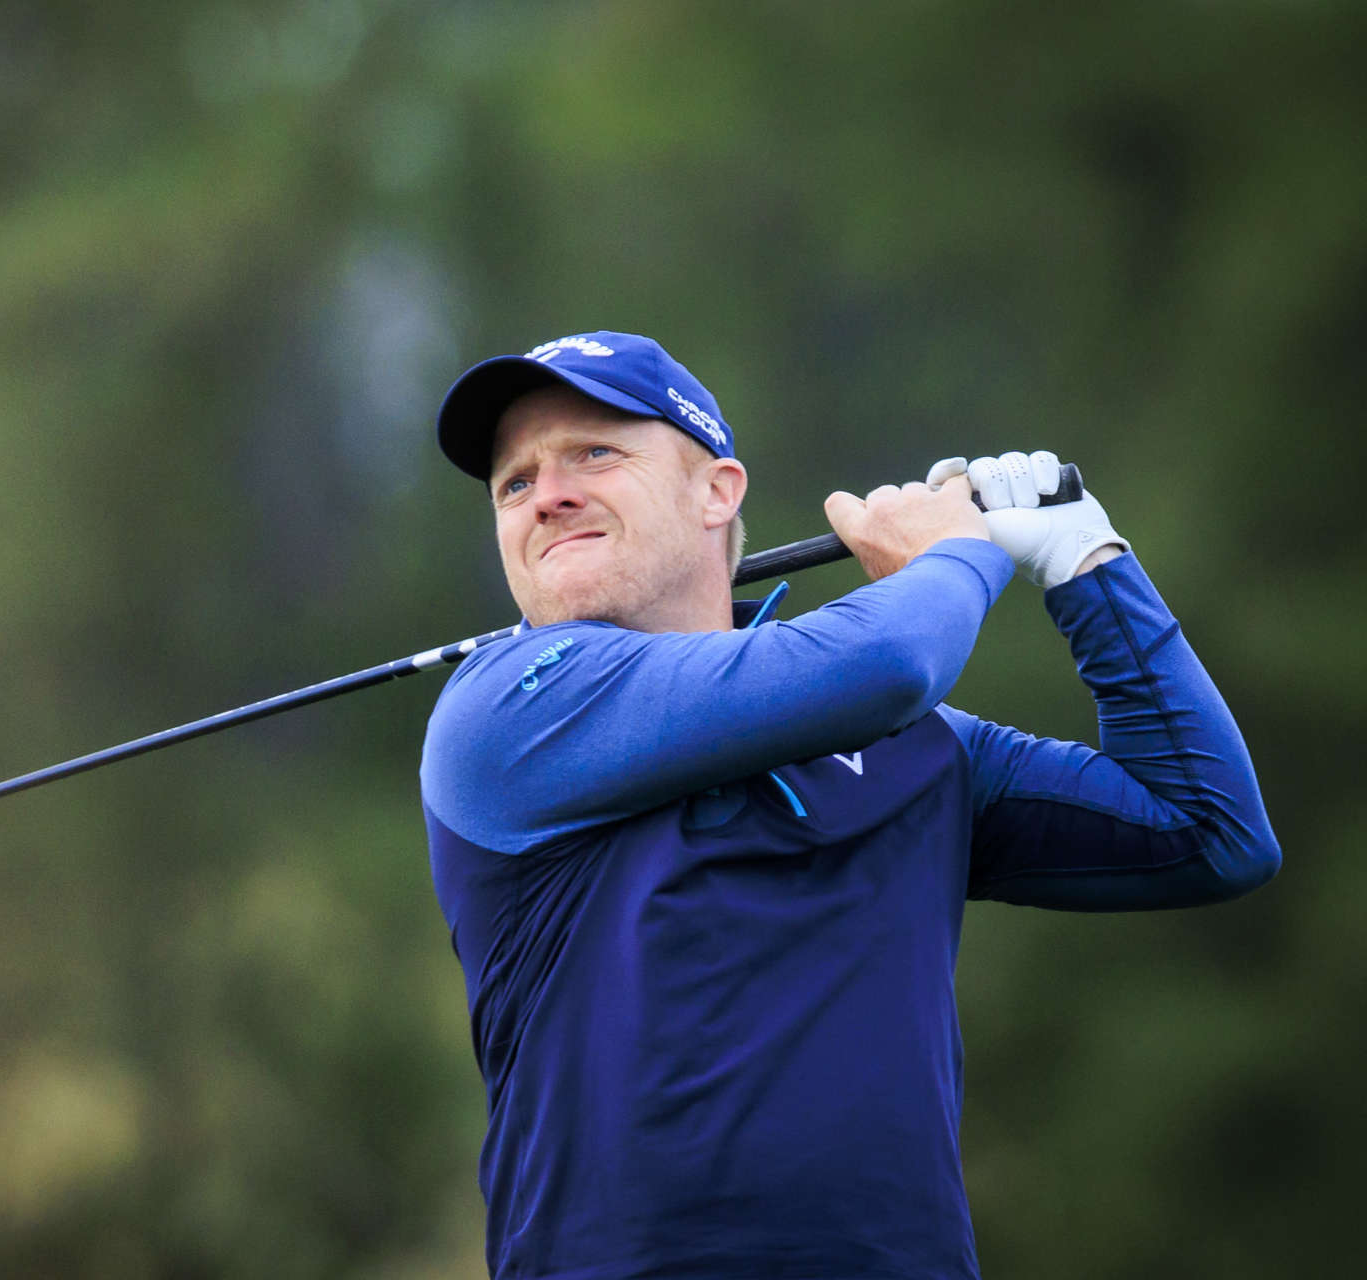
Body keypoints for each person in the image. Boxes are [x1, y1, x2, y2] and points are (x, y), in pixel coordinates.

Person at [419, 330, 1280, 1280]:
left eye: (595, 452)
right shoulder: (503, 709)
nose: (548, 494)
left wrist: (1088, 563)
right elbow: (889, 659)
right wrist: (959, 555)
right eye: (514, 482)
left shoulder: (922, 746)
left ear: (718, 492)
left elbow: (1209, 828)